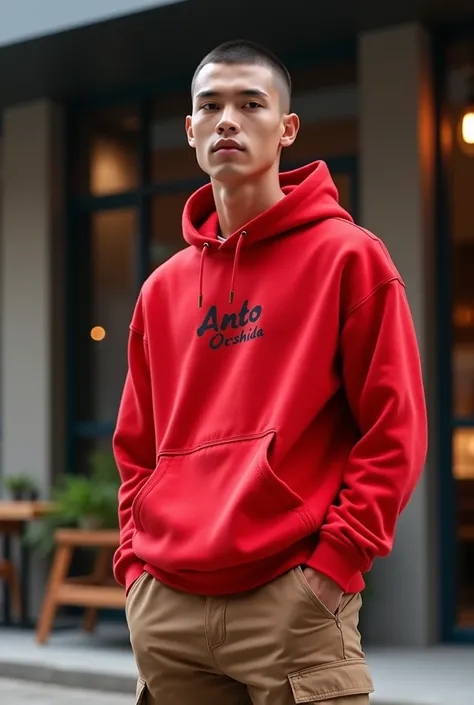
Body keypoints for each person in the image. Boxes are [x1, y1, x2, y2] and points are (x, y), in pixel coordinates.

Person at [113, 39, 427, 705]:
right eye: (211, 105)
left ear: (286, 129)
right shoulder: (161, 290)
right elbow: (136, 446)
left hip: (291, 598)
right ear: (191, 131)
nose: (228, 118)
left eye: (250, 103)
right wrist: (134, 566)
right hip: (167, 606)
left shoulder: (350, 258)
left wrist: (335, 563)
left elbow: (394, 429)